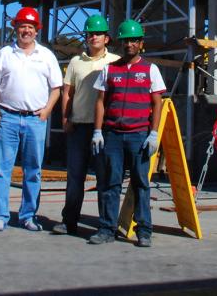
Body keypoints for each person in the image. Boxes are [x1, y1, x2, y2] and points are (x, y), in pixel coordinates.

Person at [90, 19, 166, 248]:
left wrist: (153, 134)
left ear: (141, 43)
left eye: (134, 40)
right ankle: (106, 229)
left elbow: (158, 103)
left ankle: (144, 231)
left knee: (141, 183)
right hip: (112, 135)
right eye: (126, 40)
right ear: (120, 43)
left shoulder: (150, 69)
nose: (130, 44)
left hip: (138, 136)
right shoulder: (109, 69)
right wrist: (97, 131)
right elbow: (101, 102)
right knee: (110, 183)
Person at [0, 6, 62, 232]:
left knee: (33, 170)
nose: (26, 30)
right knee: (2, 169)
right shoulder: (4, 54)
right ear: (15, 28)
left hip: (35, 120)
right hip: (8, 117)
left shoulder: (46, 56)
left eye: (30, 26)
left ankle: (28, 216)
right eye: (22, 26)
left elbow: (56, 88)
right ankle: (0, 215)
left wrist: (47, 111)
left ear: (36, 30)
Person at [52, 14, 119, 235]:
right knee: (75, 177)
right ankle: (69, 220)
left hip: (104, 129)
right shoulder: (75, 62)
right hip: (79, 126)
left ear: (106, 38)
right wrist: (65, 118)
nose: (94, 37)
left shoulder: (115, 62)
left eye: (98, 34)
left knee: (104, 178)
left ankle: (105, 224)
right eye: (90, 34)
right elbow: (67, 93)